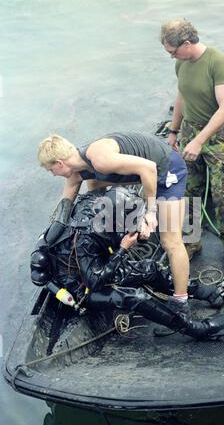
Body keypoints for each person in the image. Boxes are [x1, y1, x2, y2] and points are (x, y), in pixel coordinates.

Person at [30, 187, 224, 340]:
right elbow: (94, 282)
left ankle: (197, 290)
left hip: (99, 263)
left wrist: (138, 232)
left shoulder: (96, 208)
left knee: (151, 268)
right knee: (135, 298)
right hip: (82, 287)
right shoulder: (84, 240)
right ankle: (190, 328)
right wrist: (123, 249)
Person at [38, 131, 189, 312]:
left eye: (50, 170)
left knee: (170, 241)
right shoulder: (78, 172)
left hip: (166, 170)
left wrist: (150, 212)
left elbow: (148, 168)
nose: (53, 175)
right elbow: (63, 210)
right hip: (143, 173)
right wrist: (46, 241)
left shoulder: (100, 159)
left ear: (60, 163)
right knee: (94, 189)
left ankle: (181, 301)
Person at [160, 19, 224, 270]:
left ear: (186, 44)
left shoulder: (217, 62)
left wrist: (199, 140)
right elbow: (181, 97)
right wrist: (174, 132)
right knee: (189, 191)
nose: (172, 56)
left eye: (173, 51)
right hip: (190, 132)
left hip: (217, 137)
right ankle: (191, 240)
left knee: (223, 195)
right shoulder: (181, 64)